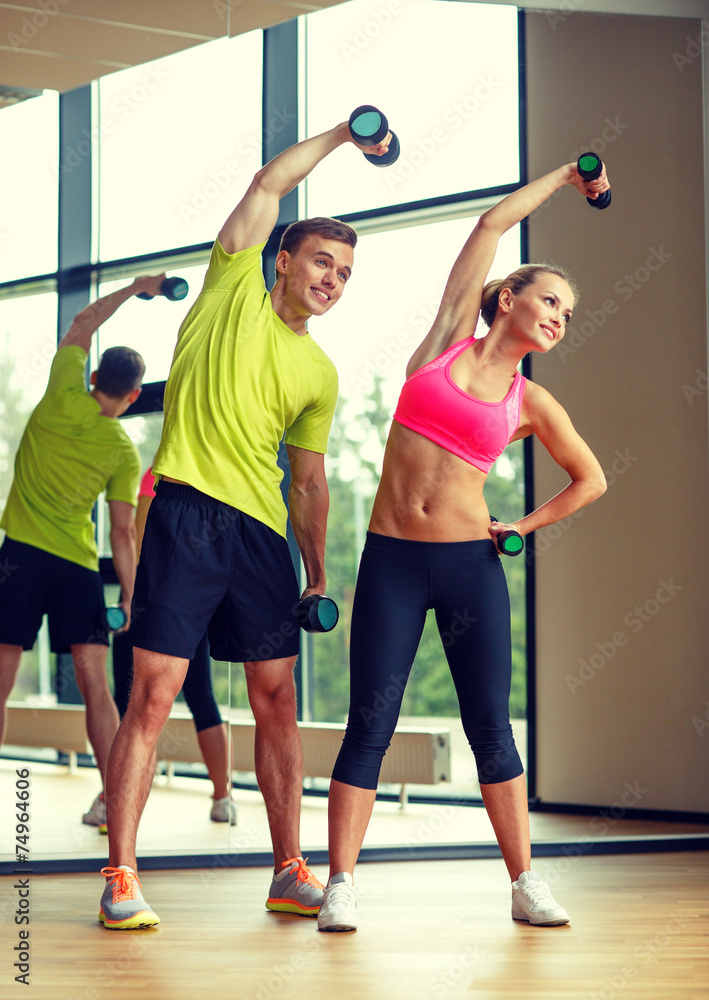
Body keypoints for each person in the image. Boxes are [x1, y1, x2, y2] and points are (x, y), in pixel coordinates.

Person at [98, 117, 393, 930]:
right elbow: (267, 185)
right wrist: (344, 136)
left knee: (276, 697)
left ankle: (288, 869)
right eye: (322, 262)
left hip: (262, 541)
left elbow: (308, 480)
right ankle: (121, 873)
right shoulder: (230, 289)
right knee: (152, 694)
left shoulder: (319, 372)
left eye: (345, 273)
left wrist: (320, 569)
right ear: (283, 261)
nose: (332, 279)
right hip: (187, 511)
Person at [317, 161, 610, 933]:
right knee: (368, 725)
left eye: (569, 314)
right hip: (390, 562)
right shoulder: (445, 345)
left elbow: (591, 480)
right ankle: (339, 882)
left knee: (489, 726)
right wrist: (567, 178)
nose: (558, 316)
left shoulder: (530, 401)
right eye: (550, 299)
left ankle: (523, 883)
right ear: (506, 299)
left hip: (467, 568)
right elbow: (487, 227)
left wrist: (521, 526)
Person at [0, 275, 164, 828]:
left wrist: (135, 288)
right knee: (97, 689)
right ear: (135, 394)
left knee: (0, 683)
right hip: (76, 569)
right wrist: (135, 598)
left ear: (94, 377)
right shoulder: (122, 449)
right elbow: (123, 534)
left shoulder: (61, 393)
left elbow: (83, 323)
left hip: (19, 558)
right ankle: (113, 801)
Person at [112, 465, 236, 824]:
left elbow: (134, 539)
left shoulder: (157, 473)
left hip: (156, 600)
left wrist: (131, 598)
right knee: (200, 697)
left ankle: (113, 799)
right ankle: (222, 795)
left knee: (133, 707)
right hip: (198, 597)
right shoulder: (207, 470)